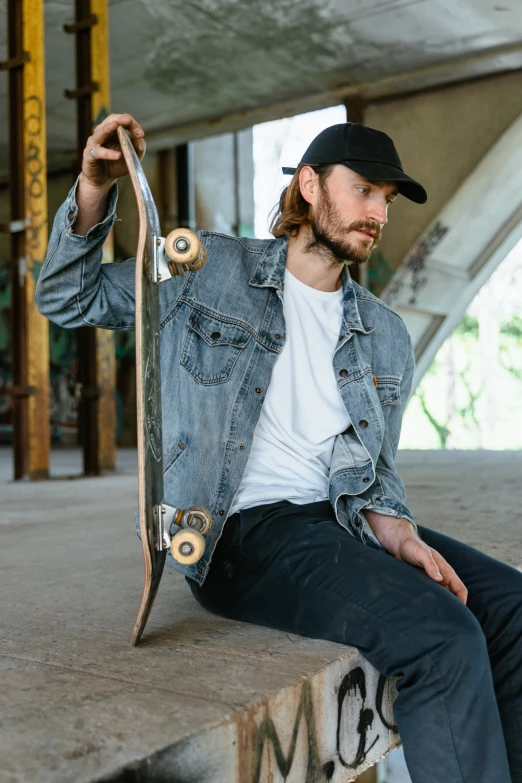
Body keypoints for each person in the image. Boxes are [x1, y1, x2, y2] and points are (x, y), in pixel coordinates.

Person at [35, 114, 522, 783]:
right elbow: (68, 295)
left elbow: (373, 473)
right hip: (240, 534)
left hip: (339, 521)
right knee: (443, 638)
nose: (378, 211)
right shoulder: (207, 270)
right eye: (365, 190)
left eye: (388, 199)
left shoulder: (382, 333)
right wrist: (93, 187)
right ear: (311, 183)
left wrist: (398, 530)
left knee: (513, 606)